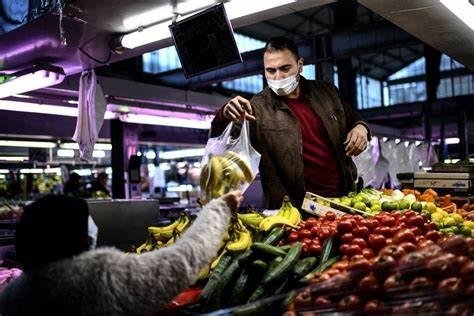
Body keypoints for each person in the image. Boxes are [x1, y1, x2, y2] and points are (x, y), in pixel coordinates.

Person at [0, 191, 243, 315]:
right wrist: (219, 210)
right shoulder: (99, 277)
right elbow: (184, 260)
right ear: (79, 238)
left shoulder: (13, 296)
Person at [210, 37, 370, 209]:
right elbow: (223, 143)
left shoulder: (327, 92)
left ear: (300, 65)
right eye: (270, 71)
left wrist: (360, 127)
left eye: (285, 68)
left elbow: (352, 116)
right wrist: (224, 115)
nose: (278, 77)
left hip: (344, 199)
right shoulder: (257, 109)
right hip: (293, 210)